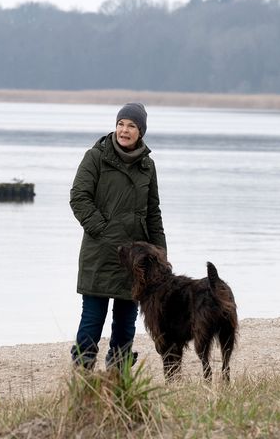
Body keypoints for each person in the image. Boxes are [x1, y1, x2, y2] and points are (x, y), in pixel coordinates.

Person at [69, 102, 167, 370]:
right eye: (121, 124)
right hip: (99, 252)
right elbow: (79, 198)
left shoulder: (147, 166)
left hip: (136, 260)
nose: (124, 130)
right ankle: (83, 369)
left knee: (126, 320)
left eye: (131, 126)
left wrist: (160, 255)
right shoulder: (95, 157)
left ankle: (119, 371)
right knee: (93, 317)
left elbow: (153, 212)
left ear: (140, 132)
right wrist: (103, 230)